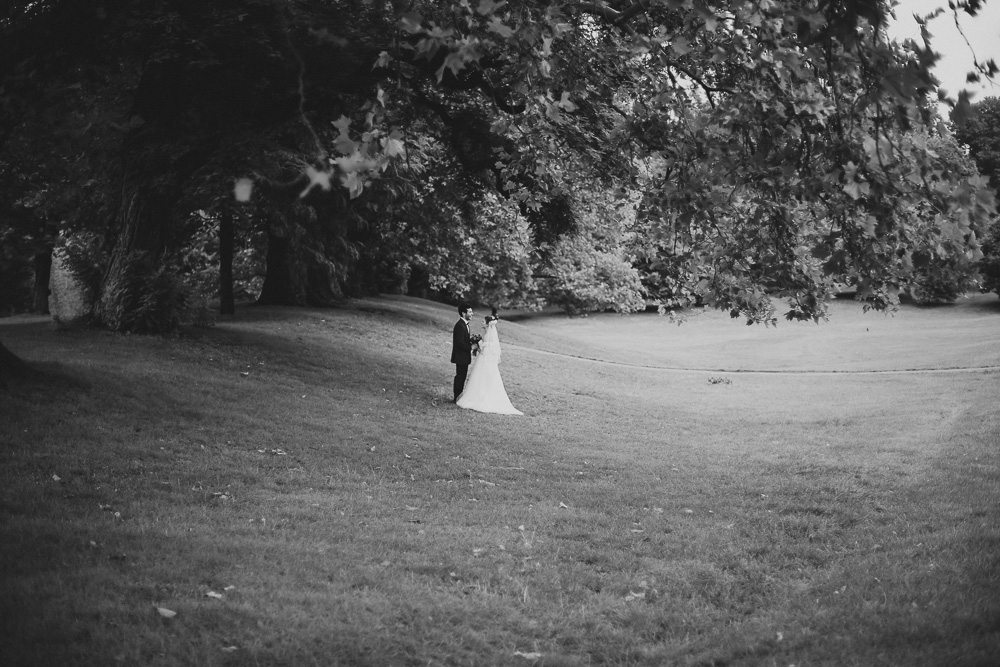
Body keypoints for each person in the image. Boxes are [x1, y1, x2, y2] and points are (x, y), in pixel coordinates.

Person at [457, 309, 523, 415]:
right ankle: (475, 396)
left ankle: (481, 399)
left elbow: (486, 350)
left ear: (488, 324)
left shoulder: (488, 335)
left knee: (483, 378)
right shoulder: (486, 333)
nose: (481, 323)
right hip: (483, 360)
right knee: (479, 378)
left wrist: (478, 342)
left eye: (483, 321)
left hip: (485, 361)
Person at [450, 304, 474, 402]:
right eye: (470, 312)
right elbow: (460, 343)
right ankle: (456, 397)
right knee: (460, 376)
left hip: (463, 356)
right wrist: (471, 347)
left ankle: (458, 396)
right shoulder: (460, 325)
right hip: (460, 356)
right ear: (464, 313)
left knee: (462, 376)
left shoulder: (464, 324)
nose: (472, 314)